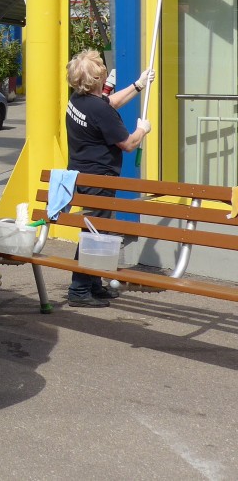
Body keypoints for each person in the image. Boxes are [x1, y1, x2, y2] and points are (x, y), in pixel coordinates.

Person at [64, 49, 154, 307]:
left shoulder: (78, 100)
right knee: (94, 233)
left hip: (83, 176)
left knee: (97, 230)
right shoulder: (97, 109)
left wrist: (138, 85)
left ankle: (93, 284)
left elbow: (108, 103)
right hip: (99, 179)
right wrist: (142, 130)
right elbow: (127, 144)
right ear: (98, 80)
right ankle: (79, 290)